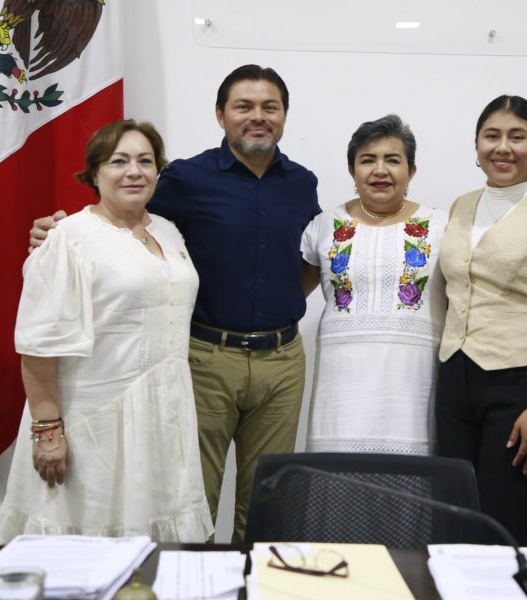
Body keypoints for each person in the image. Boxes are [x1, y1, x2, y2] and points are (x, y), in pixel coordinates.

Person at [28, 65, 321, 542]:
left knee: (269, 499)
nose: (258, 116)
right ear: (221, 115)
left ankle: (256, 579)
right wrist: (56, 229)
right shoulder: (185, 178)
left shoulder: (302, 183)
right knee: (191, 495)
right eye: (244, 106)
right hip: (206, 359)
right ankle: (194, 578)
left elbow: (309, 260)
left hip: (282, 362)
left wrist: (277, 304)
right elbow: (120, 218)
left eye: (270, 107)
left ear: (284, 115)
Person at [0, 120, 212, 542]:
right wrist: (47, 430)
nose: (134, 172)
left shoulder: (167, 231)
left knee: (152, 545)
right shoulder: (69, 238)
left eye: (145, 161)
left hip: (164, 415)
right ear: (95, 173)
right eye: (119, 161)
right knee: (87, 540)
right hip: (93, 422)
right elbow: (39, 344)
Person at [435, 95, 527, 546]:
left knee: (510, 521)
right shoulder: (460, 206)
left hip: (521, 383)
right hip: (456, 377)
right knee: (456, 518)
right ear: (476, 144)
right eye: (492, 136)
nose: (503, 148)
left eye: (517, 137)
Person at [300, 115, 446, 455]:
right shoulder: (324, 226)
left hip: (413, 391)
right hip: (340, 393)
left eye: (392, 160)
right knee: (339, 478)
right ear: (352, 171)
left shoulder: (442, 226)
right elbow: (290, 300)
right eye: (367, 160)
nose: (380, 170)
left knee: (410, 479)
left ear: (411, 171)